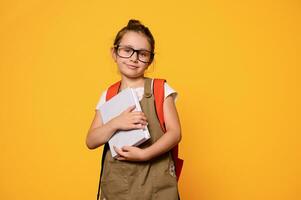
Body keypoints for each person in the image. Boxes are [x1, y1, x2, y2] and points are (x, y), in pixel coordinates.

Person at [86, 19, 182, 200]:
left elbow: (175, 133)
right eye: (127, 50)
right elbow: (91, 141)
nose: (134, 58)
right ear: (114, 53)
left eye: (142, 53)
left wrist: (145, 154)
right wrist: (116, 123)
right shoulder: (108, 95)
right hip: (118, 188)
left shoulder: (160, 90)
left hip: (156, 187)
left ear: (150, 59)